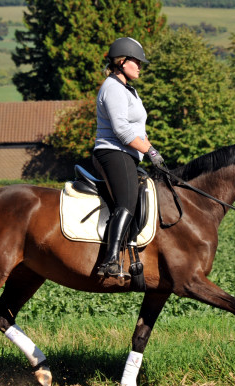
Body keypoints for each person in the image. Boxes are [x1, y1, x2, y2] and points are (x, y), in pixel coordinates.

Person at [93, 37, 165, 278]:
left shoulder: (128, 90)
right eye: (137, 61)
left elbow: (138, 132)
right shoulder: (112, 88)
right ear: (121, 61)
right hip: (113, 152)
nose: (140, 66)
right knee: (127, 201)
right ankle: (110, 260)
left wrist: (153, 151)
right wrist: (150, 151)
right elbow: (123, 131)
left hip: (127, 154)